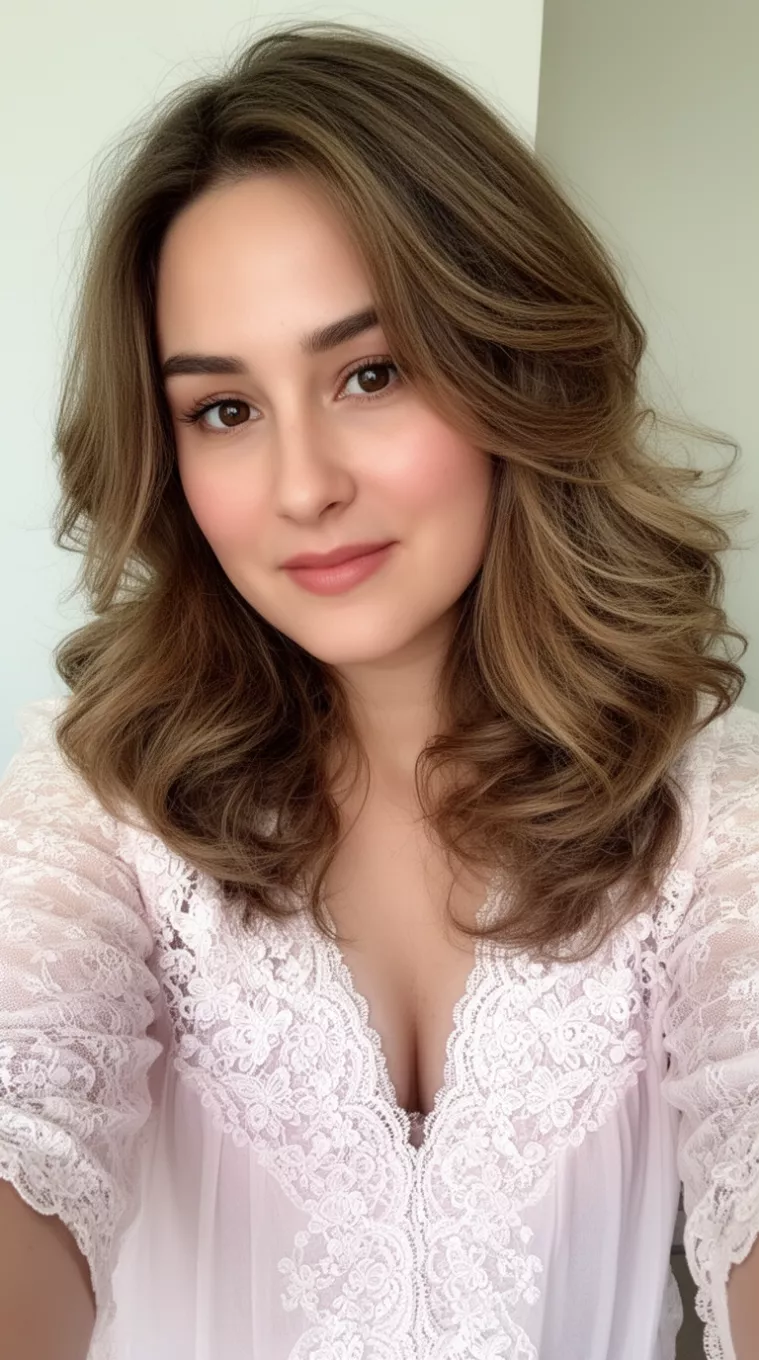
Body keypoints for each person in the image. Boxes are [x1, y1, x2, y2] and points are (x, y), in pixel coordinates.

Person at [0, 18, 757, 1360]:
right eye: (223, 410)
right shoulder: (93, 809)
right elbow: (23, 1101)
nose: (303, 488)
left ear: (509, 362)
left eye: (370, 372)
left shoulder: (705, 808)